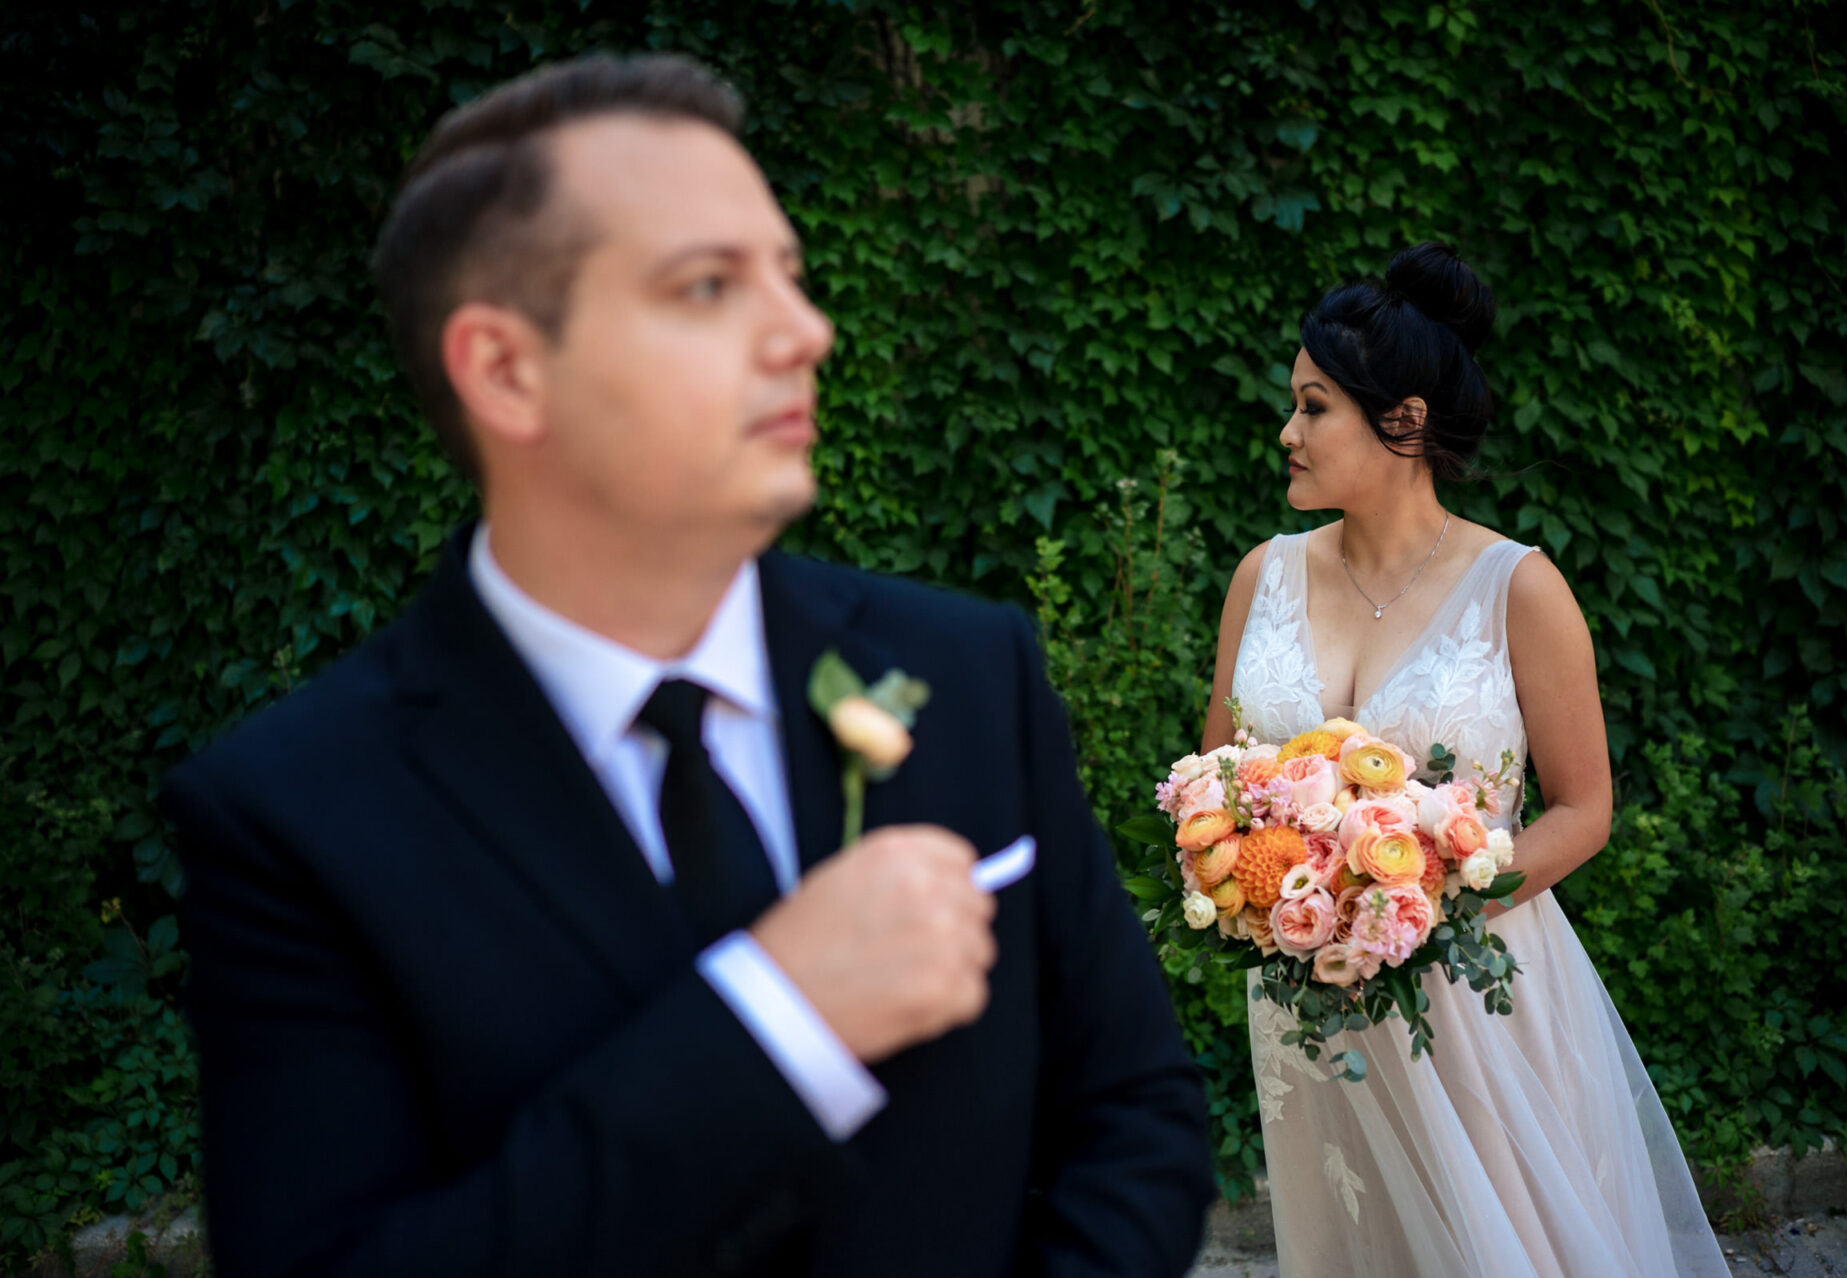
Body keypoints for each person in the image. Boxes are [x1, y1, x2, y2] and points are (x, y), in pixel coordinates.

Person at [160, 53, 1213, 1277]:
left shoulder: (971, 671)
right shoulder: (295, 818)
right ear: (505, 369)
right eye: (709, 286)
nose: (806, 331)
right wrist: (778, 1025)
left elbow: (1138, 1118)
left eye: (792, 276)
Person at [1201, 243, 1729, 1276]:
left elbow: (1583, 809)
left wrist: (1426, 914)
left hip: (1474, 995)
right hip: (1309, 998)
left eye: (1314, 408)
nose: (1286, 433)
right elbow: (1217, 781)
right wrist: (1255, 890)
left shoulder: (1519, 589)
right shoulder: (1260, 576)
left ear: (1401, 420)